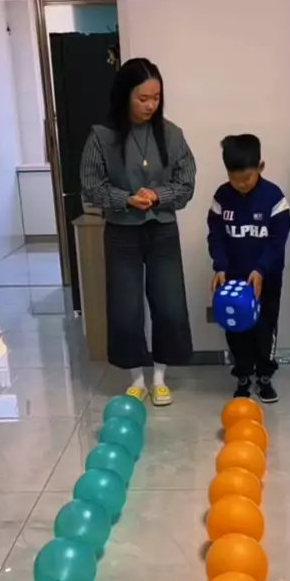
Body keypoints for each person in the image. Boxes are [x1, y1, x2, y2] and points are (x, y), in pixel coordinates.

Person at [80, 58, 196, 407]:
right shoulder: (101, 136)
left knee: (169, 305)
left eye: (156, 98)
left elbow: (186, 184)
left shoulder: (172, 134)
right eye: (143, 98)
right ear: (124, 95)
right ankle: (136, 380)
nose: (150, 105)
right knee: (126, 308)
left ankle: (159, 378)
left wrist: (158, 195)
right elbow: (90, 186)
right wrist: (125, 199)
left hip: (162, 230)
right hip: (122, 233)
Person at [208, 134, 290, 402]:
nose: (241, 185)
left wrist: (261, 270)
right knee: (236, 330)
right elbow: (216, 236)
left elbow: (278, 241)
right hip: (233, 282)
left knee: (265, 329)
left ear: (260, 167)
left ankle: (264, 376)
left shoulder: (274, 198)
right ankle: (243, 375)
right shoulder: (222, 197)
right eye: (235, 179)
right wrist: (220, 267)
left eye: (247, 178)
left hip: (266, 281)